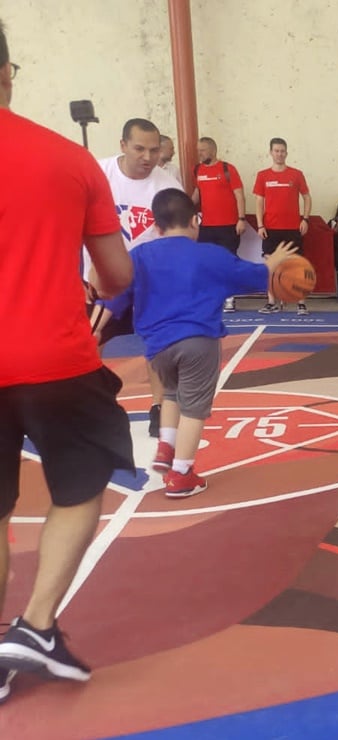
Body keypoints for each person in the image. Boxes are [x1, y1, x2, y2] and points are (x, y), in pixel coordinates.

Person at [0, 20, 135, 699]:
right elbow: (114, 276)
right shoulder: (68, 159)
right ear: (8, 73)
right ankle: (35, 625)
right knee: (83, 484)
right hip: (56, 358)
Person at [103, 189, 297, 496]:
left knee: (170, 393)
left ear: (156, 226)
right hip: (198, 341)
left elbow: (116, 292)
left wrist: (99, 323)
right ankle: (181, 474)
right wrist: (273, 263)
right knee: (194, 408)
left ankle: (166, 447)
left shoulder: (139, 255)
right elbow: (253, 276)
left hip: (157, 346)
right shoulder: (209, 254)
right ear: (195, 221)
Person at [88, 118, 181, 438]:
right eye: (139, 148)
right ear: (123, 145)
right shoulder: (97, 174)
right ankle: (91, 405)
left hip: (152, 284)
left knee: (158, 346)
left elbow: (181, 238)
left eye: (154, 150)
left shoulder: (168, 187)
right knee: (89, 340)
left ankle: (158, 407)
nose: (147, 157)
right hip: (102, 280)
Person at [254, 137, 312, 315]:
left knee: (296, 266)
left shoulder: (296, 174)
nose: (279, 154)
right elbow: (259, 202)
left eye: (282, 151)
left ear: (286, 153)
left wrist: (305, 219)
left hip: (293, 228)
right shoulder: (263, 175)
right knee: (271, 266)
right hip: (270, 229)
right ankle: (271, 302)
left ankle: (301, 303)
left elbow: (307, 197)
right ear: (271, 152)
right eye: (276, 150)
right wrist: (260, 225)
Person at [191, 136, 247, 312]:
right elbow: (196, 194)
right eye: (198, 150)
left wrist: (241, 218)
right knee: (207, 263)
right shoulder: (198, 170)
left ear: (213, 150)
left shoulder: (227, 169)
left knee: (227, 262)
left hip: (229, 225)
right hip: (206, 226)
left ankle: (229, 298)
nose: (200, 154)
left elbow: (239, 195)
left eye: (203, 150)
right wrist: (183, 207)